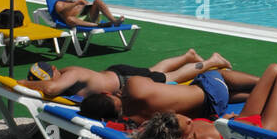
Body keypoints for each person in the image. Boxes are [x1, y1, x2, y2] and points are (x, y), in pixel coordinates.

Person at [78, 51, 261, 123]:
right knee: (218, 75)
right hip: (211, 90)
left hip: (210, 111)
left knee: (221, 91)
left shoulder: (133, 123)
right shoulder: (133, 86)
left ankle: (262, 93)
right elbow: (153, 82)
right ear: (105, 93)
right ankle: (264, 82)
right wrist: (124, 91)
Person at [22, 48, 231, 101]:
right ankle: (188, 55)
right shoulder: (64, 75)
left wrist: (21, 83)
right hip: (118, 75)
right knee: (154, 71)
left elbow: (51, 88)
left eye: (50, 77)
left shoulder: (70, 74)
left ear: (55, 71)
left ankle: (213, 61)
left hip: (125, 80)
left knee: (170, 78)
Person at [52, 0, 125, 27]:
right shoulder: (59, 3)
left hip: (89, 17)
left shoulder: (80, 0)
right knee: (69, 19)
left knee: (97, 0)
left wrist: (89, 5)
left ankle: (114, 21)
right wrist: (76, 3)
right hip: (76, 21)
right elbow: (62, 10)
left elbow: (90, 6)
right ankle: (98, 26)